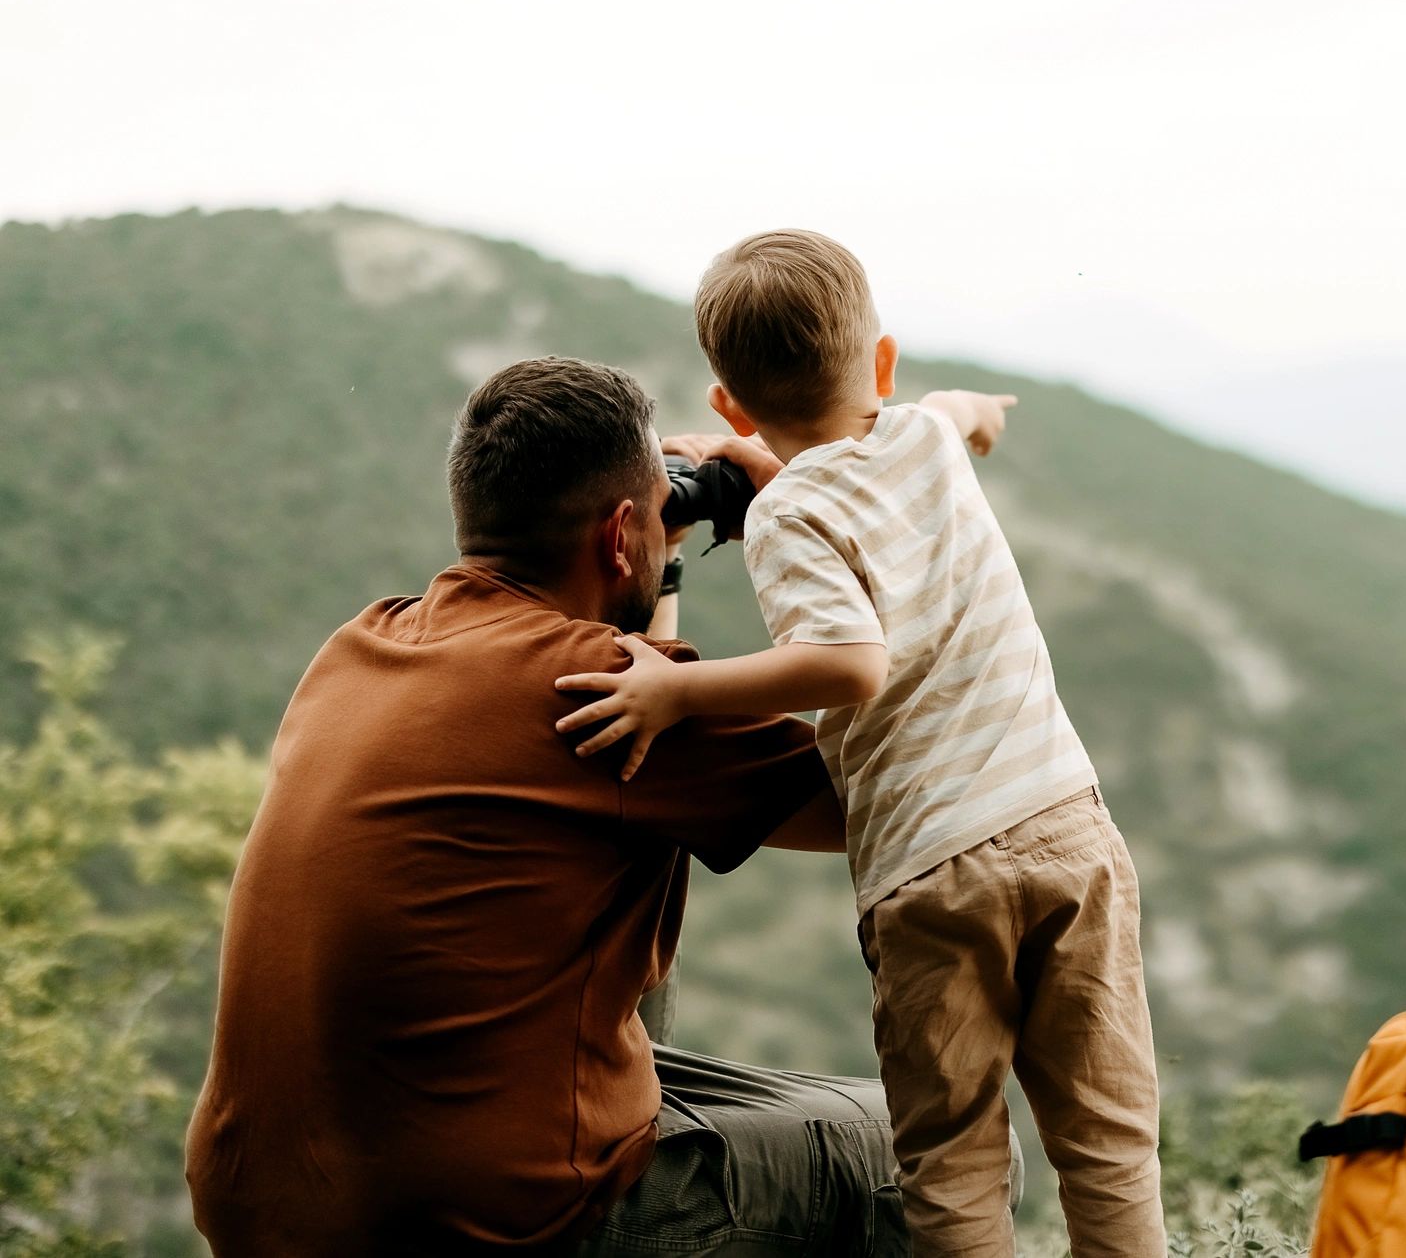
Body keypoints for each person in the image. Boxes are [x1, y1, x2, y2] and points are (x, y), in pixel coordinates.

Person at [185, 356, 917, 1256]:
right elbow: (898, 802)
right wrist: (816, 526)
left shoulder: (362, 643)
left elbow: (636, 721)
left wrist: (658, 558)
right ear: (616, 536)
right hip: (484, 1225)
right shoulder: (583, 687)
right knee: (921, 1144)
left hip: (267, 1207)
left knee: (631, 960)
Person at [553, 232, 1165, 1258]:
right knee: (1107, 1141)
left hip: (935, 872)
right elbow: (956, 412)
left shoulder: (789, 514)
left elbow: (846, 664)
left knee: (953, 1162)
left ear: (730, 409)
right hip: (1065, 829)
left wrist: (679, 690)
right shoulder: (925, 434)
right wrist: (981, 415)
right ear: (882, 361)